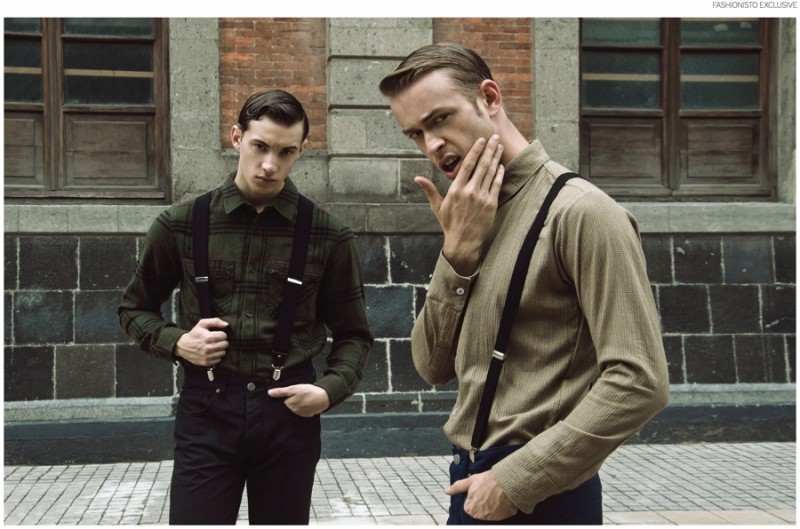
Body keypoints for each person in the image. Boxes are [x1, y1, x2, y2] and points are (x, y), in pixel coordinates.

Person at [379, 43, 669, 525]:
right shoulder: (470, 214)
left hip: (539, 489)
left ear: (489, 98)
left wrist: (517, 481)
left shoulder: (581, 212)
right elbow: (431, 366)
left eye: (440, 119)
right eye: (415, 134)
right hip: (470, 481)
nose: (431, 145)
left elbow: (639, 381)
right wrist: (458, 253)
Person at [118, 89, 373, 525]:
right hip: (207, 408)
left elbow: (354, 334)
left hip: (288, 411)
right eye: (260, 146)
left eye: (286, 152)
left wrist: (328, 390)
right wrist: (180, 343)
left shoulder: (328, 235)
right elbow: (134, 309)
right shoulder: (180, 224)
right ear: (237, 137)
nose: (270, 165)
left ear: (300, 151)